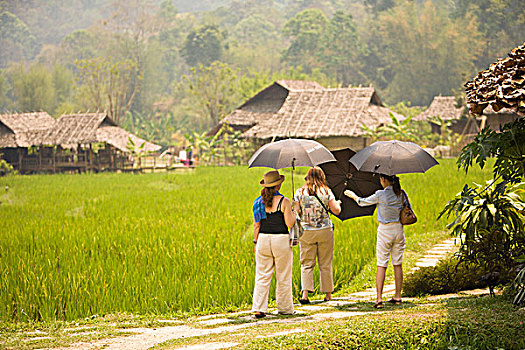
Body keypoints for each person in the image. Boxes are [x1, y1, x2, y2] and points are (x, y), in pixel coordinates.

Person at [344, 174, 410, 309]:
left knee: (382, 264)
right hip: (398, 229)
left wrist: (352, 195)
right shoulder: (402, 193)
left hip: (385, 231)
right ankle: (398, 296)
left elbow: (362, 202)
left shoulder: (380, 194)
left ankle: (379, 298)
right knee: (397, 263)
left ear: (383, 179)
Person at [293, 167, 341, 304]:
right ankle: (328, 295)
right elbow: (336, 211)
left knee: (306, 263)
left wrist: (295, 204)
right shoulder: (326, 191)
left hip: (306, 231)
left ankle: (305, 294)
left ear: (307, 177)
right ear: (322, 177)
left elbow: (295, 212)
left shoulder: (299, 192)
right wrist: (338, 203)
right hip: (325, 230)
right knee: (325, 263)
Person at [252, 170, 296, 318]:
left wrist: (255, 242)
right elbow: (290, 224)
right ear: (279, 185)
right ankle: (285, 308)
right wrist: (294, 211)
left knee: (262, 275)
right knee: (283, 275)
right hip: (280, 240)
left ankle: (259, 308)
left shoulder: (258, 202)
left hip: (263, 239)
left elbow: (256, 225)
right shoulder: (285, 202)